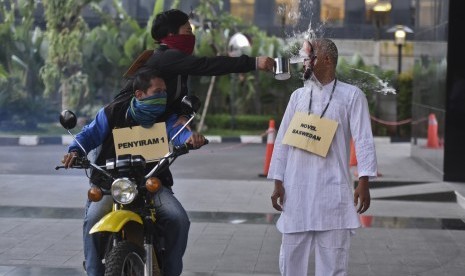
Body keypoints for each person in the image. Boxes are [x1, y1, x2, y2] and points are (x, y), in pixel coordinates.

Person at [61, 69, 205, 276]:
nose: (163, 97)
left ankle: (172, 270)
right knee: (92, 220)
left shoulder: (166, 116)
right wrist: (74, 151)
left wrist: (190, 139)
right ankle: (93, 272)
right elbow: (88, 135)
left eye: (164, 92)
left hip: (149, 183)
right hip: (110, 183)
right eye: (157, 92)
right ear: (139, 94)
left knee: (178, 219)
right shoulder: (113, 112)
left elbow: (179, 133)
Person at [268, 38, 378, 276]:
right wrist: (278, 180)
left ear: (327, 59)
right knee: (290, 262)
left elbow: (364, 139)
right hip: (296, 191)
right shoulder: (298, 96)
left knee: (334, 264)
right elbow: (282, 140)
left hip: (333, 192)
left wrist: (364, 180)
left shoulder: (351, 95)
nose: (304, 62)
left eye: (309, 57)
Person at [127, 8, 275, 124]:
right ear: (171, 34)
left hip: (154, 128)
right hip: (130, 127)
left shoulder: (173, 60)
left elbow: (175, 97)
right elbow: (207, 65)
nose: (191, 37)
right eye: (188, 31)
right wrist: (254, 62)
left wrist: (182, 115)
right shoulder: (167, 56)